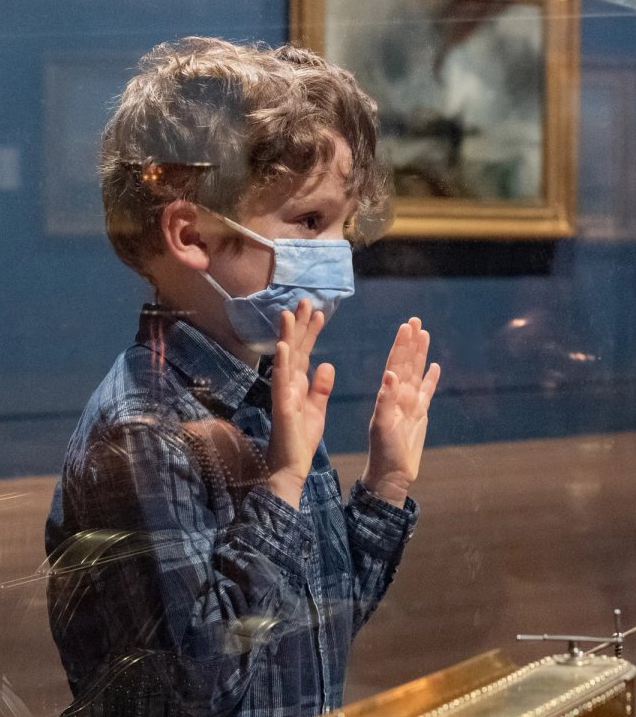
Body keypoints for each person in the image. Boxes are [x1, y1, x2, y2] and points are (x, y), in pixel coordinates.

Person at [44, 37, 441, 716]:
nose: (336, 255)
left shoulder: (268, 395)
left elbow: (317, 626)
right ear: (191, 235)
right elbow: (194, 694)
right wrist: (282, 486)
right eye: (309, 221)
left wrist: (384, 486)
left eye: (343, 225)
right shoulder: (146, 434)